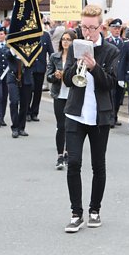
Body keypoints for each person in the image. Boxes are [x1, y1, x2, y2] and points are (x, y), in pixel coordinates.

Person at [62, 4, 120, 233]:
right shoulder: (75, 46)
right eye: (84, 27)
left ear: (101, 27)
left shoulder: (111, 51)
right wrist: (76, 65)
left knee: (98, 164)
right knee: (74, 163)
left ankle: (94, 210)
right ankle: (76, 213)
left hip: (99, 115)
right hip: (75, 113)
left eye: (92, 28)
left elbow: (111, 84)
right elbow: (67, 80)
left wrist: (95, 67)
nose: (87, 32)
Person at [47, 29, 76, 170]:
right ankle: (60, 156)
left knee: (71, 126)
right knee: (61, 126)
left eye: (68, 39)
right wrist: (55, 76)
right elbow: (48, 76)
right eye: (64, 39)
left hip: (73, 95)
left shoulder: (77, 58)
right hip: (59, 95)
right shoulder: (55, 56)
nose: (65, 42)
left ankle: (68, 153)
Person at [6, 42, 34, 139]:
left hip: (26, 78)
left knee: (24, 104)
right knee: (14, 101)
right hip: (13, 77)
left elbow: (33, 62)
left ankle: (21, 127)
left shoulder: (30, 48)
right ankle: (15, 127)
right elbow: (7, 55)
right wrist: (14, 50)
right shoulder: (10, 47)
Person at [27, 29, 54, 122]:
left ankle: (34, 113)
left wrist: (54, 64)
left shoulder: (45, 35)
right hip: (29, 67)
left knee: (38, 92)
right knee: (29, 89)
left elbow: (51, 51)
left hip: (40, 68)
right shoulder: (28, 33)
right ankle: (27, 112)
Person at [106, 19, 125, 126]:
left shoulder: (124, 42)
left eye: (119, 28)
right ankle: (111, 118)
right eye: (115, 28)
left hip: (121, 73)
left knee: (118, 96)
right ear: (110, 29)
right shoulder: (107, 41)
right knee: (111, 95)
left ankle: (115, 116)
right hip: (110, 73)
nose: (117, 30)